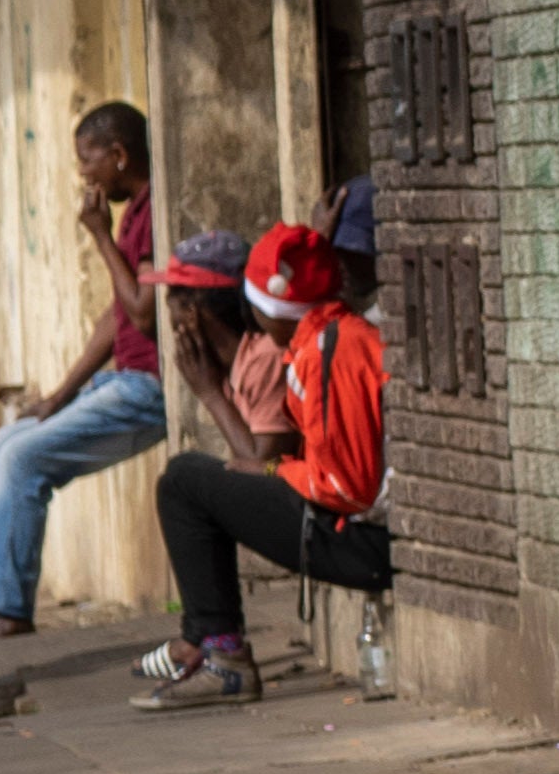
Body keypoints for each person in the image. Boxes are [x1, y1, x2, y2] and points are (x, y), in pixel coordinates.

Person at [0, 99, 167, 638]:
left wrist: (99, 235)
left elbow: (144, 314)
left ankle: (6, 610)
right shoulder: (134, 216)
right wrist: (60, 394)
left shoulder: (152, 213)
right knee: (5, 443)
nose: (83, 176)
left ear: (118, 156)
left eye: (86, 162)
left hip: (150, 389)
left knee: (25, 460)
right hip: (122, 381)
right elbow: (115, 316)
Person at [136, 225, 392, 704]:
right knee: (187, 475)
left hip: (360, 540)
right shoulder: (318, 343)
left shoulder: (331, 349)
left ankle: (222, 653)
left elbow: (347, 488)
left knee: (184, 482)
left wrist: (277, 471)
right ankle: (208, 643)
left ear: (266, 307)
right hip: (344, 522)